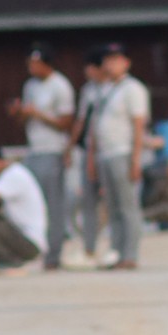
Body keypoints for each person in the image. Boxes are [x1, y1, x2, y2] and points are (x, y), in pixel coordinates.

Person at [89, 43, 151, 269]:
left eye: (116, 60)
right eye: (108, 60)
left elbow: (138, 126)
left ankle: (130, 255)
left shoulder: (133, 89)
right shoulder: (103, 89)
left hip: (123, 152)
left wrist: (136, 160)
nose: (111, 64)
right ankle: (116, 252)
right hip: (105, 154)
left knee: (128, 206)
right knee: (112, 207)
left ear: (126, 63)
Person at [17, 47, 76, 270]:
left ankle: (54, 253)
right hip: (34, 149)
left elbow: (66, 122)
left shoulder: (60, 85)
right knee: (35, 204)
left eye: (35, 64)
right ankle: (38, 250)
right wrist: (21, 113)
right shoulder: (30, 86)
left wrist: (38, 114)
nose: (31, 68)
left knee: (54, 204)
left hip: (53, 149)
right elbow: (25, 118)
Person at [70, 52, 108, 262]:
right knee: (88, 201)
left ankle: (115, 248)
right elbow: (82, 121)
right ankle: (89, 248)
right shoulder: (88, 90)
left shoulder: (112, 88)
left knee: (113, 202)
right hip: (89, 150)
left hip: (109, 150)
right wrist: (71, 147)